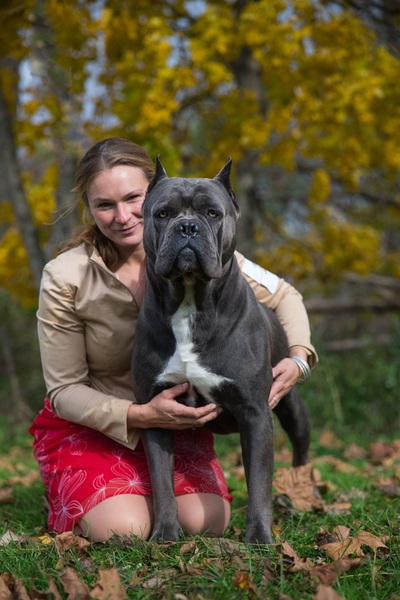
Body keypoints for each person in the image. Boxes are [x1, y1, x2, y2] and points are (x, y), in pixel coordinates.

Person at [29, 137, 317, 543]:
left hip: (179, 424)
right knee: (124, 529)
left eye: (133, 199)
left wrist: (299, 358)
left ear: (148, 198)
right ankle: (87, 497)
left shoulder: (206, 250)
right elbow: (63, 389)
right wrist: (141, 416)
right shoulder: (67, 276)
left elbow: (284, 295)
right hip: (99, 423)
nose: (123, 216)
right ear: (90, 210)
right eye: (105, 205)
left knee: (208, 522)